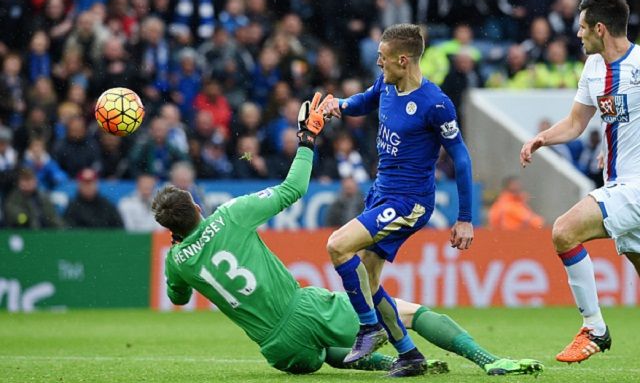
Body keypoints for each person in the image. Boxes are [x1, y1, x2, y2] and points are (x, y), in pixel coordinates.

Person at [153, 94, 543, 377]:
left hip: (278, 351)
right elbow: (293, 189)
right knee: (408, 311)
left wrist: (180, 251)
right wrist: (306, 142)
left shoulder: (176, 261)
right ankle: (488, 360)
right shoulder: (231, 215)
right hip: (303, 310)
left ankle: (398, 361)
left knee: (324, 352)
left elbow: (179, 297)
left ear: (171, 230)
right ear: (199, 208)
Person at [322, 23, 474, 376]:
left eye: (383, 58)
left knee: (337, 246)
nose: (379, 63)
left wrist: (464, 217)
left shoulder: (435, 103)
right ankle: (409, 354)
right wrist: (338, 105)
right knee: (368, 280)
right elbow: (362, 101)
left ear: (403, 60)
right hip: (381, 194)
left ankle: (370, 329)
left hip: (409, 202)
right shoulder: (388, 86)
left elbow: (461, 158)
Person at [520, 0, 637, 364]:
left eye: (583, 27)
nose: (577, 34)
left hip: (636, 186)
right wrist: (542, 138)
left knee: (564, 230)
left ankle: (595, 328)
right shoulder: (593, 68)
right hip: (617, 184)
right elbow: (575, 123)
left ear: (601, 28)